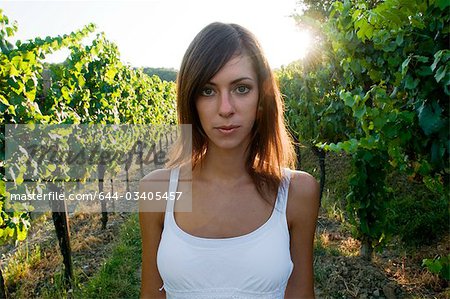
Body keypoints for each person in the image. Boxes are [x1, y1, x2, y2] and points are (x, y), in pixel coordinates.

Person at [139, 22, 320, 299]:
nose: (225, 109)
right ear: (191, 101)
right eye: (208, 91)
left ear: (262, 100)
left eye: (241, 89)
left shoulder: (297, 192)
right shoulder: (156, 191)